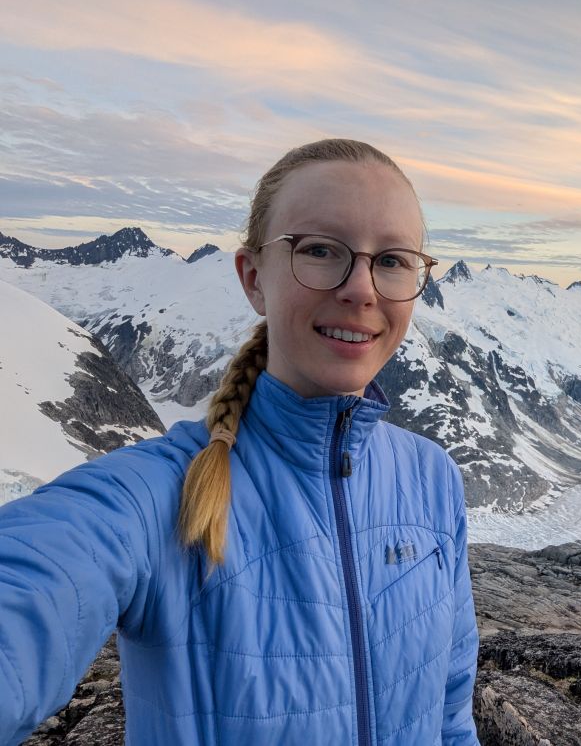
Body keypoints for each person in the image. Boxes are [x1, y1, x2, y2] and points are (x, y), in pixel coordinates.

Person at [0, 139, 480, 745]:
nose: (362, 289)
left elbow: (449, 716)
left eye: (392, 259)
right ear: (254, 278)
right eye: (321, 250)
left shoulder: (431, 479)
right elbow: (35, 579)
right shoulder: (158, 493)